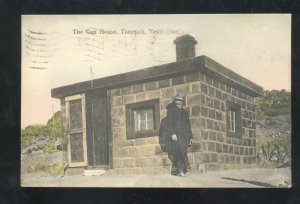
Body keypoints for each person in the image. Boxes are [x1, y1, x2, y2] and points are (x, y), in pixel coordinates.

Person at [165, 92, 193, 176]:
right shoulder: (171, 111)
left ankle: (186, 169)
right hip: (177, 135)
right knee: (180, 151)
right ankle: (181, 170)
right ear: (175, 100)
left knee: (184, 152)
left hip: (185, 135)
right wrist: (172, 133)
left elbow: (188, 125)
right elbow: (169, 123)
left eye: (180, 100)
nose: (178, 102)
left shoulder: (184, 112)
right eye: (177, 100)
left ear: (182, 101)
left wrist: (191, 136)